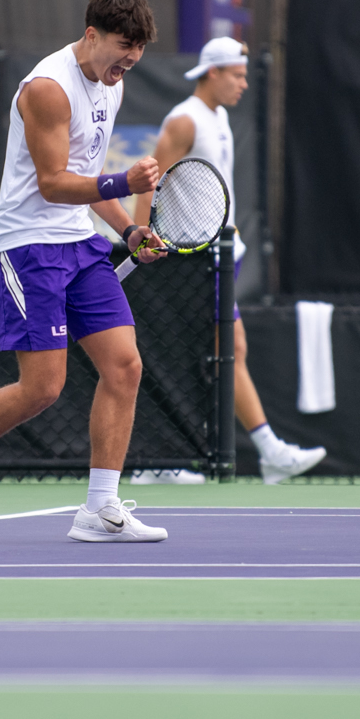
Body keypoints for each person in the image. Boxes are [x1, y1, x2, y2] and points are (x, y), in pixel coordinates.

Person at [0, 0, 171, 543]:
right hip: (28, 247)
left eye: (140, 49)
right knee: (44, 387)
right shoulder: (48, 88)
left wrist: (127, 228)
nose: (131, 59)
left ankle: (99, 510)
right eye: (124, 45)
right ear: (92, 34)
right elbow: (53, 184)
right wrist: (124, 180)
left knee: (124, 367)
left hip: (81, 244)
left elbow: (86, 180)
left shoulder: (110, 86)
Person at [134, 36, 328, 485]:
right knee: (217, 351)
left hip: (220, 257)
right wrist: (140, 240)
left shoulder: (218, 117)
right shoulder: (184, 121)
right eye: (237, 75)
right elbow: (148, 182)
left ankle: (256, 452)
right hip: (192, 263)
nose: (243, 84)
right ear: (213, 72)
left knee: (224, 352)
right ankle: (168, 457)